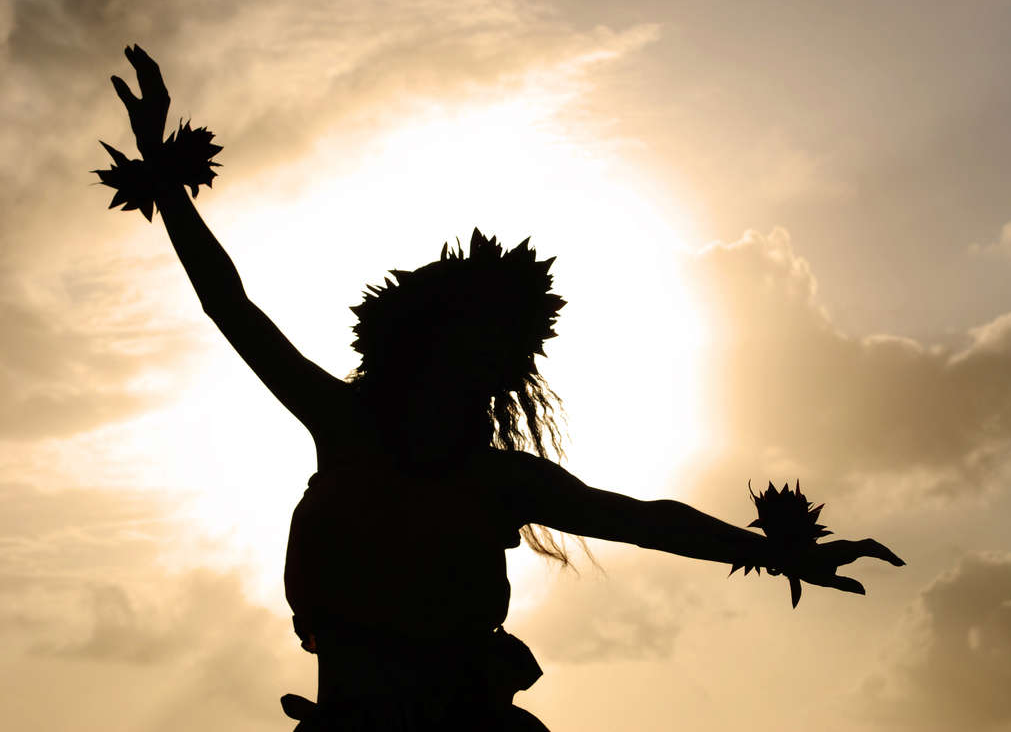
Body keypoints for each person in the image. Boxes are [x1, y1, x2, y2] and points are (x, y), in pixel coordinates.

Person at [101, 45, 905, 731]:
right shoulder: (346, 427)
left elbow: (643, 521)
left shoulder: (496, 480)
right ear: (413, 350)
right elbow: (230, 306)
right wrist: (166, 182)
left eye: (487, 360)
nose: (469, 378)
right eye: (458, 354)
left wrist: (768, 550)